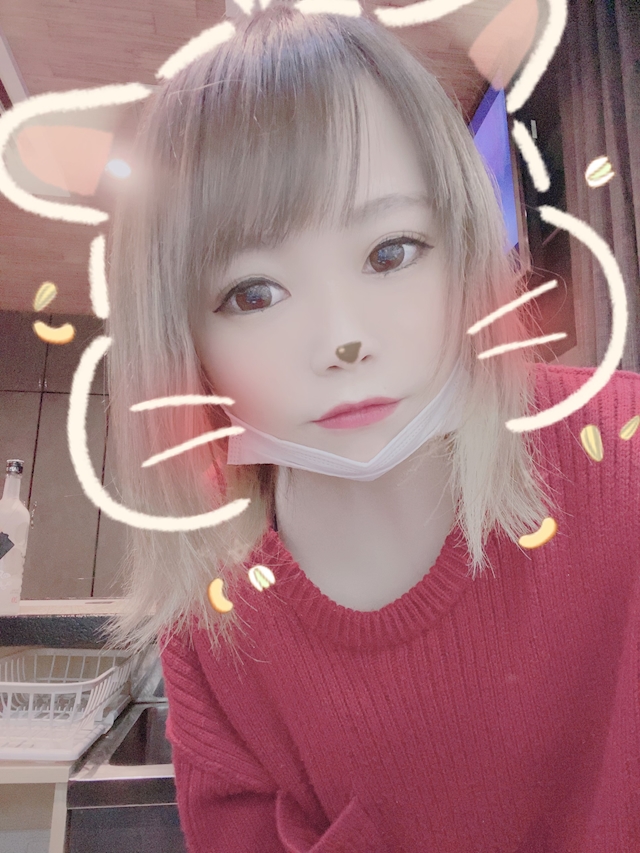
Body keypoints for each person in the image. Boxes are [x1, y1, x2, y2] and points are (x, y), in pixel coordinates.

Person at [104, 5, 640, 851]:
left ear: (463, 243)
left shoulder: (624, 454)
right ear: (181, 341)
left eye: (391, 252)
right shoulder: (216, 625)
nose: (342, 340)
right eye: (253, 293)